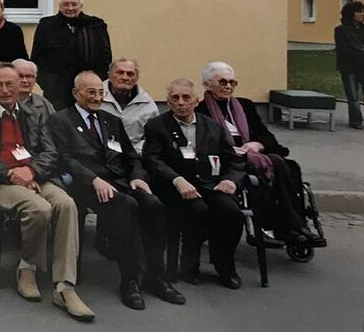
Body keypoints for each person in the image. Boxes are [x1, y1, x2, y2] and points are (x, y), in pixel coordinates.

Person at [0, 63, 91, 321]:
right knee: (39, 208)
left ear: (20, 85)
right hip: (3, 182)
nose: (5, 89)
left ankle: (64, 284)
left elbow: (51, 151)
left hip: (37, 176)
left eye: (10, 83)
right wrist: (11, 173)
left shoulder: (35, 114)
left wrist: (31, 172)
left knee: (67, 204)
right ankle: (27, 267)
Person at [47, 72, 184, 309]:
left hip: (119, 181)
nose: (96, 97)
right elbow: (64, 159)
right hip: (85, 184)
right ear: (75, 93)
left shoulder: (111, 120)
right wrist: (94, 179)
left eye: (100, 92)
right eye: (90, 92)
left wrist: (137, 177)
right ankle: (129, 280)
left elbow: (130, 156)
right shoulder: (61, 120)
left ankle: (155, 276)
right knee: (126, 206)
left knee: (154, 205)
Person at [196, 61, 321, 247]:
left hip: (257, 156)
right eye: (222, 82)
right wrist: (230, 150)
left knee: (288, 165)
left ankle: (291, 225)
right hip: (228, 161)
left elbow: (268, 137)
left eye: (232, 82)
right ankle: (292, 226)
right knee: (276, 163)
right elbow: (204, 144)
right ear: (207, 84)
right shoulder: (201, 111)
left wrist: (257, 143)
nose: (228, 86)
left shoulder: (245, 106)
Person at [141, 79, 245, 289]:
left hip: (210, 185)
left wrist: (230, 180)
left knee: (231, 212)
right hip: (174, 188)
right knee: (197, 210)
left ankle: (224, 265)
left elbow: (234, 160)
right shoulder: (157, 126)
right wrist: (177, 180)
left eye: (186, 97)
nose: (181, 102)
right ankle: (190, 264)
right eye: (175, 98)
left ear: (196, 101)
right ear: (168, 102)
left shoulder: (213, 126)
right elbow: (152, 160)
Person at [31, 0, 112, 111]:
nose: (70, 8)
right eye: (66, 4)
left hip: (88, 91)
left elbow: (105, 58)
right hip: (56, 92)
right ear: (60, 6)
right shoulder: (46, 26)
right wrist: (49, 84)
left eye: (74, 4)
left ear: (81, 6)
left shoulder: (95, 25)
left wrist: (95, 83)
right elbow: (37, 59)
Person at [100, 58, 157, 153]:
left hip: (134, 156)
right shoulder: (94, 97)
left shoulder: (148, 105)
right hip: (99, 154)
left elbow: (154, 137)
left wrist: (136, 152)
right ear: (109, 75)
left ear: (137, 78)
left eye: (130, 74)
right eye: (120, 72)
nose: (125, 77)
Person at [334, 0, 364, 129]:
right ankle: (356, 121)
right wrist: (359, 51)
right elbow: (343, 49)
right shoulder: (341, 30)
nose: (362, 14)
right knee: (352, 96)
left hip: (362, 66)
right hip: (349, 67)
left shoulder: (362, 29)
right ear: (351, 14)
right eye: (359, 12)